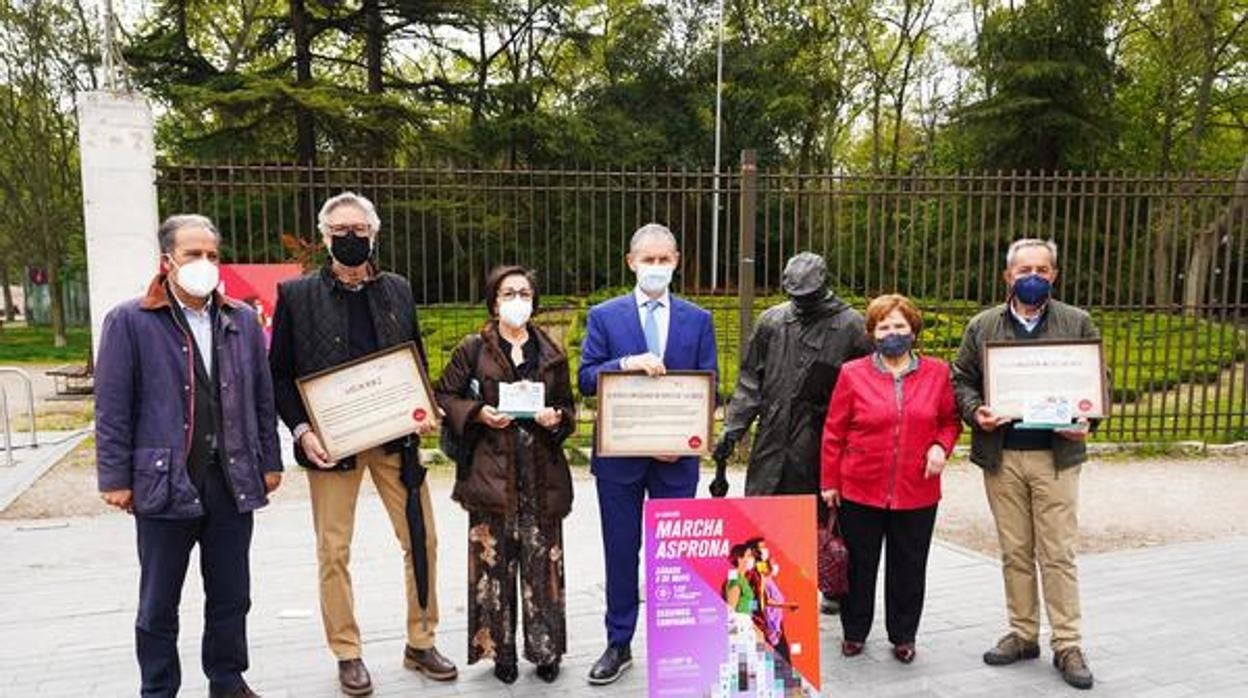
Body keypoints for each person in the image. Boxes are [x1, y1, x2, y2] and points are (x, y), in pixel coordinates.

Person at [269, 192, 456, 695]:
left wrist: (425, 406)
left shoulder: (397, 289)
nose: (351, 238)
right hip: (332, 445)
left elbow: (412, 355)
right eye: (340, 230)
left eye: (360, 229)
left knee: (423, 540)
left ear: (375, 234)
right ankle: (347, 651)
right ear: (326, 236)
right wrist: (302, 431)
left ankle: (421, 639)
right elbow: (280, 376)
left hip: (397, 440)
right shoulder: (296, 296)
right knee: (334, 550)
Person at [95, 214, 282, 698]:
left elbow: (262, 398)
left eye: (212, 255)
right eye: (192, 254)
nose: (204, 264)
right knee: (159, 601)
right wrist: (115, 476)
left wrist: (270, 460)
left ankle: (227, 678)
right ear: (167, 261)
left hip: (232, 478)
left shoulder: (239, 318)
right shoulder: (130, 320)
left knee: (231, 594)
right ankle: (158, 688)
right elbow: (112, 407)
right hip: (164, 482)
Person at [952, 239, 1100, 690]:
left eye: (1041, 268)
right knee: (1015, 550)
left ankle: (1068, 643)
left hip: (1056, 457)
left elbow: (1095, 383)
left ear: (1054, 274)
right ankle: (1022, 633)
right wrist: (976, 411)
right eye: (1023, 270)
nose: (1032, 276)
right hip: (1003, 455)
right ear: (1007, 277)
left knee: (1057, 552)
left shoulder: (1076, 322)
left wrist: (1086, 421)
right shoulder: (984, 325)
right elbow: (962, 379)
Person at [578, 223, 719, 685]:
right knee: (622, 551)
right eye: (649, 260)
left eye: (665, 260)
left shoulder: (698, 320)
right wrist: (625, 364)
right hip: (619, 460)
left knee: (675, 554)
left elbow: (708, 386)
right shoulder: (605, 316)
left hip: (675, 461)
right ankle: (618, 642)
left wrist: (679, 439)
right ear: (631, 262)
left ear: (677, 261)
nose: (657, 268)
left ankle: (677, 645)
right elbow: (584, 378)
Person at [434, 265, 576, 686]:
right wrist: (478, 413)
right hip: (490, 476)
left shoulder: (551, 352)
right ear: (494, 301)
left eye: (525, 292)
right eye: (508, 292)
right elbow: (445, 394)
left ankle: (545, 651)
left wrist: (556, 418)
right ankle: (501, 651)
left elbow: (569, 410)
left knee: (542, 566)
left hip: (541, 476)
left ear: (534, 301)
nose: (517, 299)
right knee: (493, 567)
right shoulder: (473, 348)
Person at [713, 251, 871, 614]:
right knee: (764, 510)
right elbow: (751, 380)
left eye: (807, 295)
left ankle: (829, 581)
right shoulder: (773, 321)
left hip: (821, 439)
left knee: (821, 518)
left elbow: (865, 386)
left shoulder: (850, 326)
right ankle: (760, 591)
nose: (800, 302)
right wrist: (734, 429)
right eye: (794, 295)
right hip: (773, 434)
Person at [820, 293, 961, 665]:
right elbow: (834, 431)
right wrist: (829, 482)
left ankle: (903, 635)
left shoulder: (937, 372)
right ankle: (854, 632)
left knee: (909, 567)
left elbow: (949, 421)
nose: (892, 333)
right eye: (884, 327)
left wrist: (940, 447)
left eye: (899, 326)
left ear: (913, 331)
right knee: (858, 566)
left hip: (917, 489)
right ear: (872, 333)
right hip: (860, 487)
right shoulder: (852, 373)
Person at [745, 538, 800, 660]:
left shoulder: (760, 566)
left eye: (765, 547)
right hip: (766, 621)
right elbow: (762, 600)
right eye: (761, 548)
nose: (765, 550)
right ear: (754, 551)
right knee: (778, 654)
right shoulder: (752, 574)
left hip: (775, 618)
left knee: (781, 653)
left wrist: (769, 562)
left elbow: (768, 574)